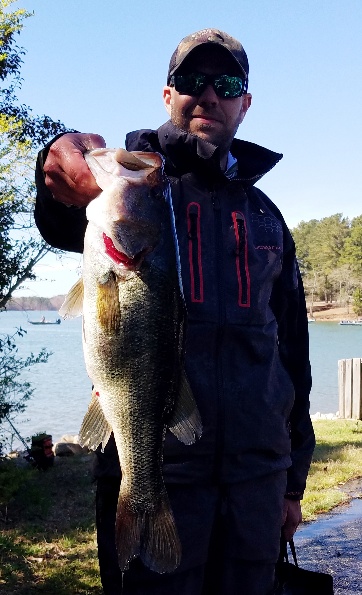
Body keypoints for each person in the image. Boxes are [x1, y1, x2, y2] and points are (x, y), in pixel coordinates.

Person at [34, 29, 315, 595]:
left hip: (256, 483)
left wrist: (292, 483)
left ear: (245, 102)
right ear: (169, 96)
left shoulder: (267, 218)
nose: (208, 94)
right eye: (192, 81)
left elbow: (293, 354)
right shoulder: (136, 184)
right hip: (160, 469)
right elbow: (60, 210)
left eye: (227, 83)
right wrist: (57, 156)